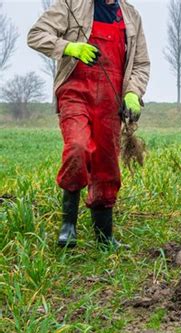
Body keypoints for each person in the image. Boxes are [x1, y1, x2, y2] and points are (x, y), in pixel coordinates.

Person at [27, 0, 150, 249]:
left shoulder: (131, 16)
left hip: (111, 99)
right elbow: (36, 35)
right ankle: (68, 225)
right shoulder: (72, 4)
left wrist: (133, 93)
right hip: (75, 91)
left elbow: (140, 64)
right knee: (77, 148)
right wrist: (69, 47)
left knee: (107, 164)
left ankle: (105, 237)